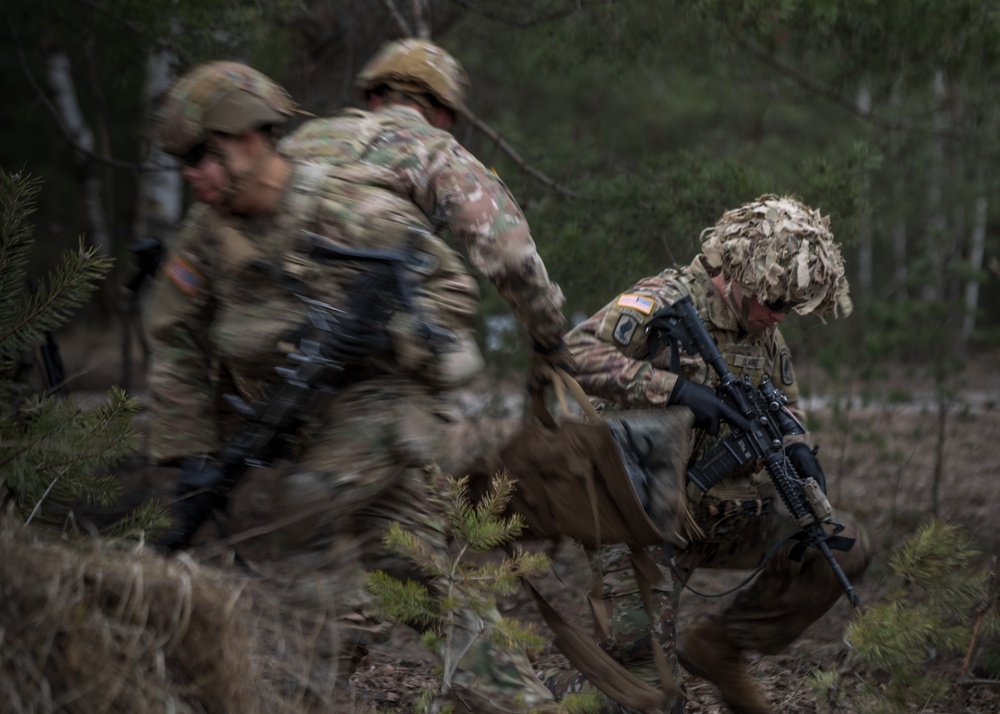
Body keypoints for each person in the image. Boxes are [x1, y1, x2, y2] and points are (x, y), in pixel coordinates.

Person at [146, 42, 567, 712]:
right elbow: (175, 336)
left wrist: (393, 333)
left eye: (202, 154)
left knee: (302, 515)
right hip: (303, 406)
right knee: (414, 572)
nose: (193, 173)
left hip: (389, 394)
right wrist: (189, 451)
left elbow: (446, 286)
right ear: (444, 110)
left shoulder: (331, 174)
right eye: (183, 162)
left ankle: (295, 683)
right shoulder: (216, 226)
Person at [555, 195, 872, 714]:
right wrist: (671, 389)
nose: (781, 318)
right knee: (648, 694)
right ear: (746, 276)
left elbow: (784, 404)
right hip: (641, 521)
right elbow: (573, 353)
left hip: (723, 514)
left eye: (791, 307)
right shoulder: (666, 300)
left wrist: (797, 448)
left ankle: (718, 648)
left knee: (842, 546)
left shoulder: (764, 332)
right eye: (776, 304)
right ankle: (537, 692)